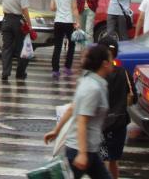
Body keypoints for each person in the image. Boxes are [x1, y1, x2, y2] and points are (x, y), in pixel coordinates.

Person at [44, 44, 113, 179]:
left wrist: (56, 131)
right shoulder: (93, 88)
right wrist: (82, 154)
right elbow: (82, 121)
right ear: (104, 64)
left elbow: (72, 108)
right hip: (80, 150)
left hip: (88, 149)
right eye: (111, 60)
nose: (113, 63)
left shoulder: (90, 82)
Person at [97, 35, 133, 179]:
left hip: (102, 125)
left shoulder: (98, 74)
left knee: (103, 160)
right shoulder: (124, 72)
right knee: (113, 161)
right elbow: (133, 97)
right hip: (119, 124)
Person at [0, 0, 32, 81]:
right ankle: (20, 72)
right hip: (18, 21)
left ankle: (5, 72)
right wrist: (29, 25)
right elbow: (25, 10)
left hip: (6, 20)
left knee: (6, 47)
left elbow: (1, 3)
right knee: (21, 48)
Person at [51, 0, 79, 78]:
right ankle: (67, 68)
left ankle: (55, 70)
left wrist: (60, 6)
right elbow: (74, 8)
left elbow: (52, 8)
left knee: (57, 46)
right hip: (69, 22)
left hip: (58, 22)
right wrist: (77, 21)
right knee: (72, 46)